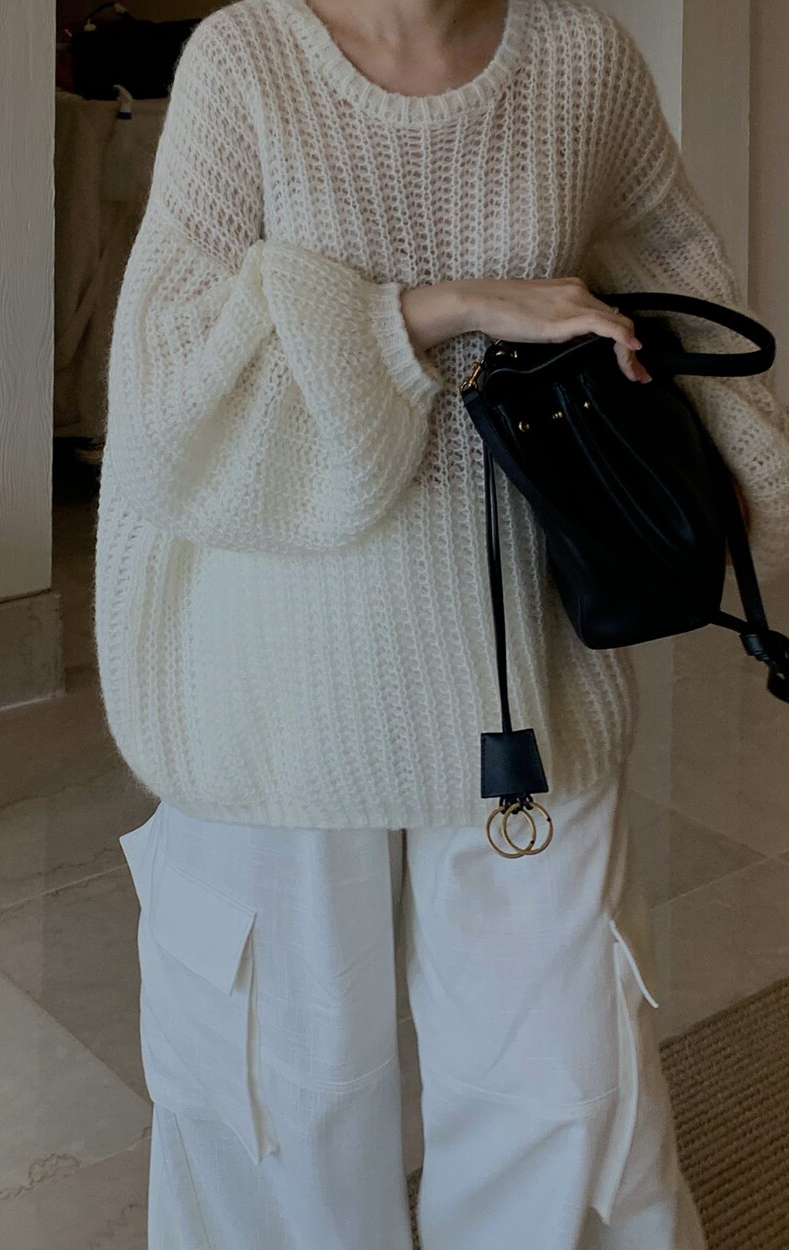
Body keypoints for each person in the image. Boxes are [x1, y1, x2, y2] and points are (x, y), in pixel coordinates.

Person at [94, 0, 789, 1246]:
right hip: (279, 681)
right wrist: (436, 308)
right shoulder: (246, 60)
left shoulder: (580, 56)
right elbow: (165, 379)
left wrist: (723, 455)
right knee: (286, 1108)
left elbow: (675, 262)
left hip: (527, 665)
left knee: (569, 1089)